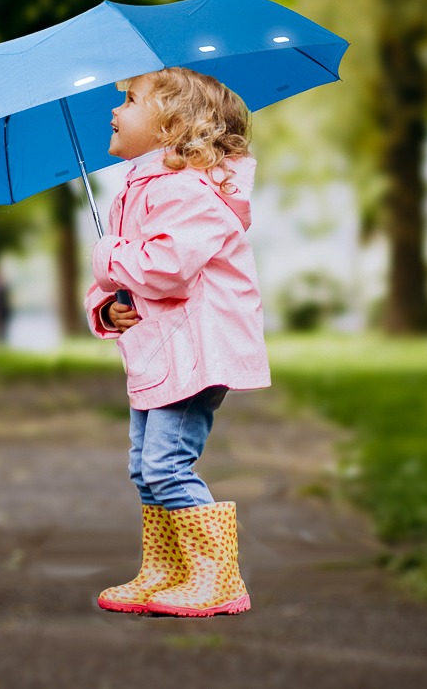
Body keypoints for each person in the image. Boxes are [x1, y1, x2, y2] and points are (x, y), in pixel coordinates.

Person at [84, 66, 271, 618]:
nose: (115, 111)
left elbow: (168, 267)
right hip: (162, 350)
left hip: (196, 351)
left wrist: (106, 257)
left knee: (167, 465)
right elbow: (133, 280)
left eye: (132, 100)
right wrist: (109, 304)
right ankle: (168, 570)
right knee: (144, 466)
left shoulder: (186, 189)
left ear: (173, 125)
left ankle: (217, 579)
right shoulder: (141, 188)